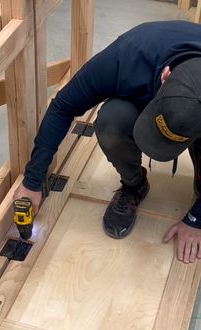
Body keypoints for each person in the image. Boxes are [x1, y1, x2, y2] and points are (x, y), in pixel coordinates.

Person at [14, 20, 201, 264]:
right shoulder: (127, 58)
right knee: (111, 122)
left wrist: (197, 219)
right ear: (165, 76)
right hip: (145, 72)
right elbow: (63, 106)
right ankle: (134, 184)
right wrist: (33, 180)